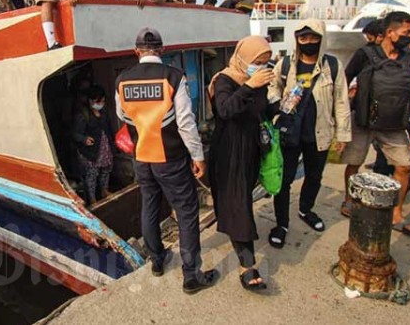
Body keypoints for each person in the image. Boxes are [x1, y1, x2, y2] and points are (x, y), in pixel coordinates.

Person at [115, 27, 218, 294]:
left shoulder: (122, 80)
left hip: (142, 157)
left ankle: (157, 262)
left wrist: (143, 128)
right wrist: (198, 155)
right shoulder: (174, 76)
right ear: (162, 50)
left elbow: (123, 117)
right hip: (170, 158)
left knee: (149, 206)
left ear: (136, 51)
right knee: (186, 211)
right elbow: (185, 122)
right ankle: (192, 275)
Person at [267, 20, 351, 247]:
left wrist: (342, 135)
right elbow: (272, 87)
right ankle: (281, 223)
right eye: (303, 38)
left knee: (314, 176)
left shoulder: (333, 66)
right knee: (283, 181)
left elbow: (341, 101)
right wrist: (279, 101)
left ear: (321, 39)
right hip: (289, 132)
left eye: (314, 38)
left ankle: (306, 209)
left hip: (319, 133)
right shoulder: (285, 64)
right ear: (297, 40)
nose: (309, 42)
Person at [341, 11, 410, 236]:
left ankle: (396, 212)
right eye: (407, 32)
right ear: (390, 32)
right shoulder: (365, 54)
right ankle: (349, 199)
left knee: (404, 166)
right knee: (354, 162)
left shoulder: (409, 58)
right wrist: (343, 113)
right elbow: (345, 79)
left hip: (395, 124)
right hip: (364, 120)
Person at [207, 35, 274, 291]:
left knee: (242, 199)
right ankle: (248, 266)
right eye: (258, 61)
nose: (263, 66)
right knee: (240, 204)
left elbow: (260, 111)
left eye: (267, 62)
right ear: (244, 58)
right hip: (229, 151)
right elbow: (224, 110)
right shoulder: (225, 79)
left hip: (250, 149)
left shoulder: (260, 81)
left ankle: (237, 234)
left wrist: (283, 107)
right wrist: (249, 86)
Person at [72, 85, 114, 204]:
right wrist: (84, 139)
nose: (100, 104)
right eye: (97, 101)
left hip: (104, 148)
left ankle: (104, 191)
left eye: (102, 101)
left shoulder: (104, 112)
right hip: (90, 152)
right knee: (92, 175)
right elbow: (75, 133)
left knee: (106, 170)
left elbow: (109, 129)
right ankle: (92, 199)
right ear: (90, 101)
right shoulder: (82, 115)